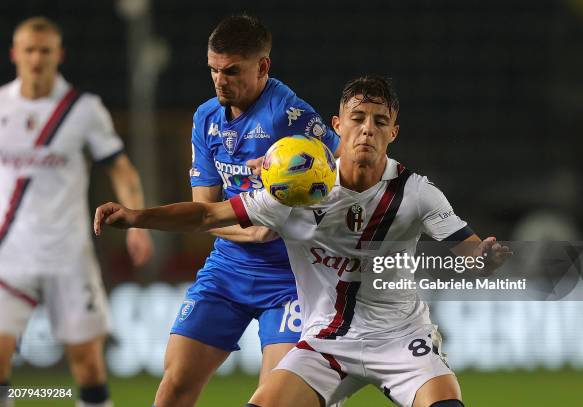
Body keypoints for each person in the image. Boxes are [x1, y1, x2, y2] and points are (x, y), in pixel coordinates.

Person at [93, 76, 511, 407]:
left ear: (394, 132)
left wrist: (485, 259)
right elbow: (206, 213)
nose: (367, 129)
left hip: (401, 339)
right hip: (326, 343)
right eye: (358, 118)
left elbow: (472, 252)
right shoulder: (297, 188)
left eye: (379, 121)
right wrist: (137, 217)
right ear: (337, 125)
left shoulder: (417, 193)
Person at [150, 14, 340, 407]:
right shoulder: (206, 118)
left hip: (292, 278)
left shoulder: (291, 116)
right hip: (228, 270)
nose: (221, 80)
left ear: (263, 66)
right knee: (173, 385)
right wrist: (249, 232)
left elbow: (346, 174)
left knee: (275, 398)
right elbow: (204, 210)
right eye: (214, 70)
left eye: (232, 71)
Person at [0, 17, 153, 407]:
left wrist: (137, 222)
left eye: (45, 51)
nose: (36, 59)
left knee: (87, 366)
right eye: (29, 50)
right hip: (9, 254)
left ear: (58, 55)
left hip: (68, 255)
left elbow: (120, 167)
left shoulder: (82, 109)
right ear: (15, 54)